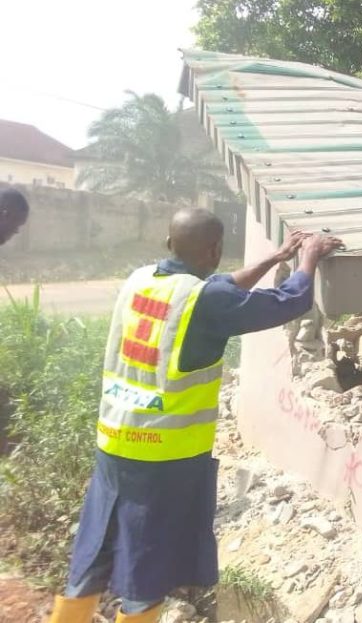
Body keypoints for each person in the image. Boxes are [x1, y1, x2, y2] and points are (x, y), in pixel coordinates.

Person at [48, 208, 343, 623]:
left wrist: (276, 258)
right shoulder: (204, 301)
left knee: (95, 550)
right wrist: (308, 258)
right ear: (217, 249)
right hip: (163, 459)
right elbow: (287, 300)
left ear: (170, 244)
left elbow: (219, 288)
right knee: (146, 569)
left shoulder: (142, 279)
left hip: (114, 444)